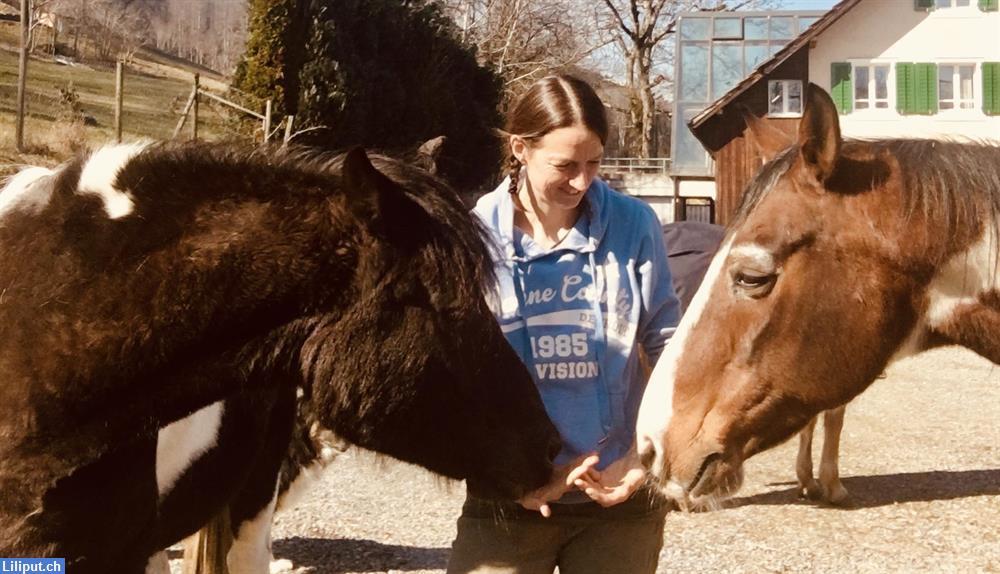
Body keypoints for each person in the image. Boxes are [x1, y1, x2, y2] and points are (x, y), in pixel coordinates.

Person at [447, 74, 682, 574]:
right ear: (520, 149)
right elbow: (454, 375)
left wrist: (644, 460)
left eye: (594, 163)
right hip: (508, 504)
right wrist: (516, 475)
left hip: (620, 505)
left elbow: (670, 350)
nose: (582, 182)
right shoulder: (470, 237)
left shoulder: (635, 225)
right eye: (565, 165)